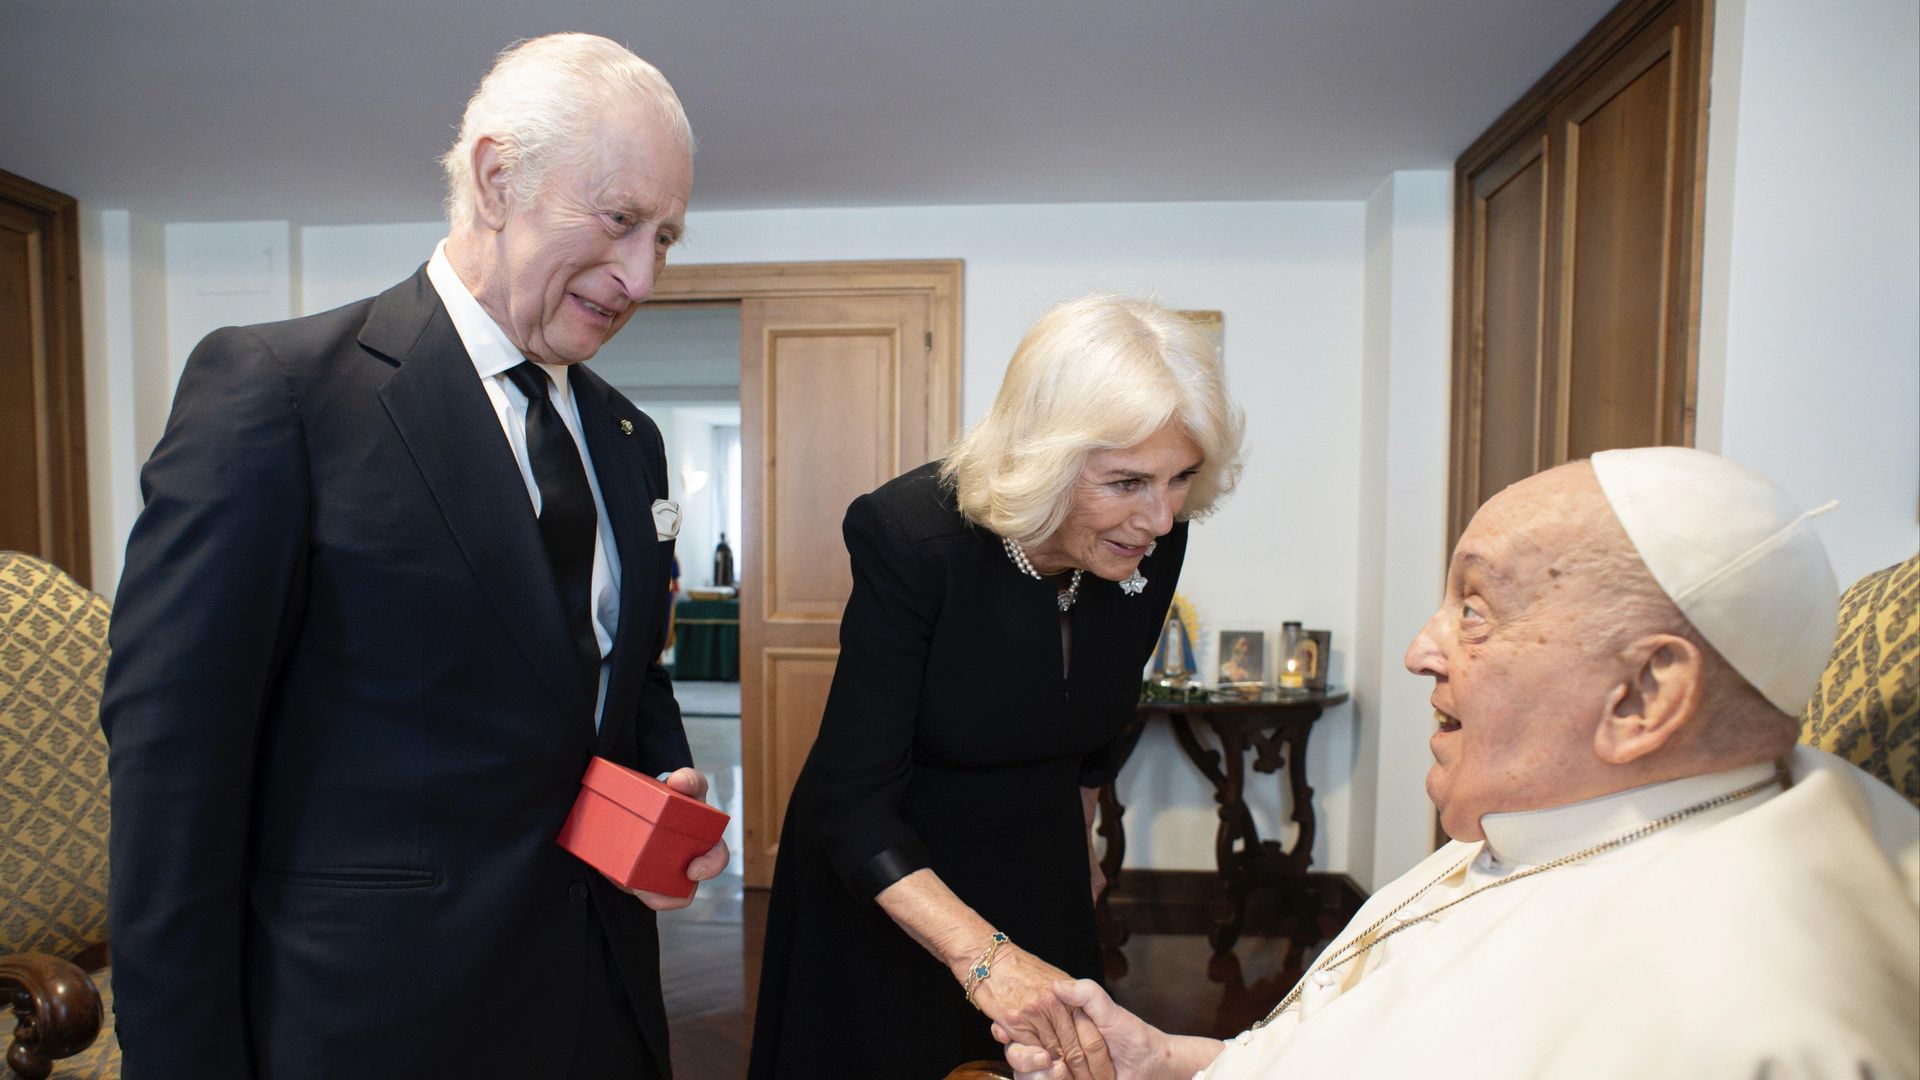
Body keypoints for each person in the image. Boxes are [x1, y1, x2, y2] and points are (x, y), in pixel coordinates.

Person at [100, 34, 725, 1079]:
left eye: (666, 236)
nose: (641, 275)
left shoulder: (630, 439)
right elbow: (174, 778)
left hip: (602, 1005)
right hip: (372, 1023)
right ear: (495, 179)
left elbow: (620, 676)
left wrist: (664, 795)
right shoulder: (277, 395)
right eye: (620, 221)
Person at [1001, 447, 1920, 1079]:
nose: (1420, 649)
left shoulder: (1732, 1009)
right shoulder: (1565, 817)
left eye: (1474, 609)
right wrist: (1171, 1061)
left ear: (1643, 697)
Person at [747, 295, 1245, 1079]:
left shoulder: (1148, 540)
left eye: (1180, 478)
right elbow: (851, 801)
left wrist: (1080, 847)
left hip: (1036, 855)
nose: (1159, 517)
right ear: (1044, 456)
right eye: (1126, 482)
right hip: (895, 871)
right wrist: (985, 959)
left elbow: (1093, 730)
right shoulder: (913, 539)